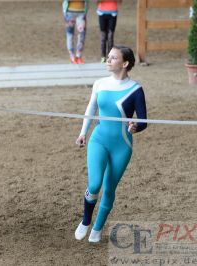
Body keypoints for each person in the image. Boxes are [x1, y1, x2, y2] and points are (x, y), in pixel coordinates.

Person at [74, 45, 147, 242]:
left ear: (124, 64)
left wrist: (136, 127)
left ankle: (97, 228)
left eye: (113, 58)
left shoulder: (136, 89)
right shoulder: (99, 84)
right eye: (108, 57)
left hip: (122, 145)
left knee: (109, 188)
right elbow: (91, 108)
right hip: (99, 139)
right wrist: (83, 133)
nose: (108, 60)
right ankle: (86, 220)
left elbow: (143, 120)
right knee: (95, 183)